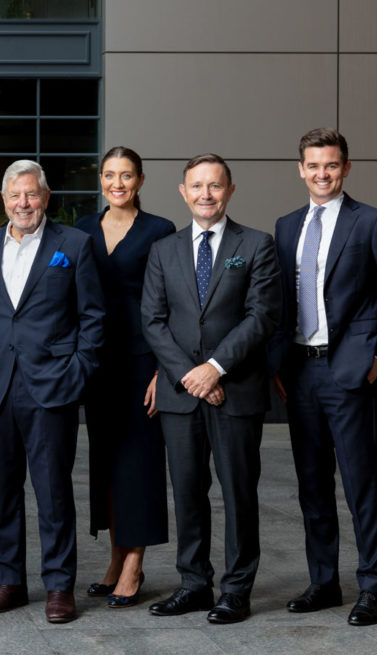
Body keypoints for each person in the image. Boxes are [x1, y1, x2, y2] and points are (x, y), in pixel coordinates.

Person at [270, 128, 377, 626]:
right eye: (313, 165)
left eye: (331, 165)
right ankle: (324, 582)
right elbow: (281, 303)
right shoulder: (287, 225)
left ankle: (371, 587)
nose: (322, 174)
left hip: (351, 372)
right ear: (300, 169)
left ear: (346, 168)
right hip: (300, 371)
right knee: (312, 485)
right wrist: (276, 363)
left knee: (361, 485)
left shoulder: (372, 222)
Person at [141, 153, 281, 624]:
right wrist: (192, 376)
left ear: (230, 190)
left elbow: (261, 316)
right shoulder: (164, 249)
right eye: (197, 186)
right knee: (187, 490)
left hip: (236, 390)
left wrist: (215, 369)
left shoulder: (257, 245)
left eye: (215, 186)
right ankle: (194, 583)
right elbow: (153, 322)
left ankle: (236, 590)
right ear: (183, 192)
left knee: (238, 491)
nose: (205, 194)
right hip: (181, 394)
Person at [0, 160, 106, 624]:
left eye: (32, 195)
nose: (23, 204)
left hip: (52, 388)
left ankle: (58, 586)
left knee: (53, 492)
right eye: (14, 196)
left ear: (46, 198)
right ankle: (8, 581)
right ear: (3, 201)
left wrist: (78, 372)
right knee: (2, 491)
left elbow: (93, 318)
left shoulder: (74, 245)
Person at [75, 147, 174, 607]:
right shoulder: (80, 230)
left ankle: (135, 562)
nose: (118, 183)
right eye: (110, 175)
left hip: (142, 362)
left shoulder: (159, 231)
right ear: (100, 179)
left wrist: (162, 369)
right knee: (107, 462)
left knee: (141, 463)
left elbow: (170, 304)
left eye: (127, 175)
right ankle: (115, 558)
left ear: (141, 180)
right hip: (96, 363)